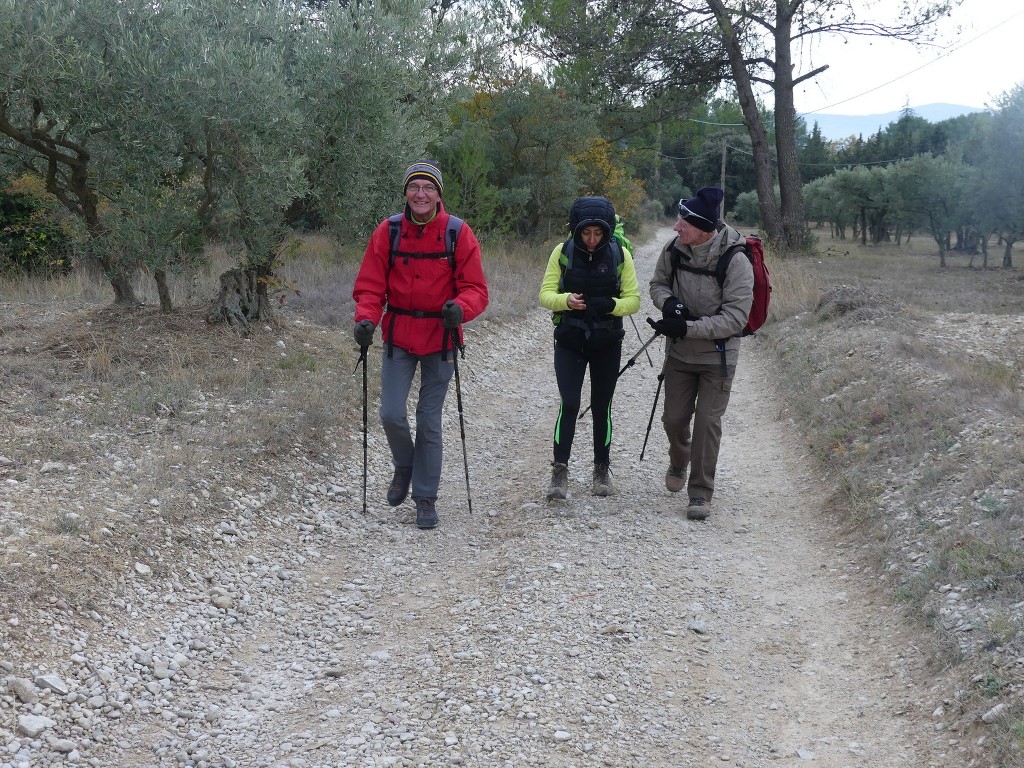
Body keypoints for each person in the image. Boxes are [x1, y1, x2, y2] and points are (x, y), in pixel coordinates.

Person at [352, 160, 489, 530]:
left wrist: (460, 309)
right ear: (406, 193)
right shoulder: (389, 231)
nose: (421, 194)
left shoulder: (457, 232)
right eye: (415, 187)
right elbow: (370, 285)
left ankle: (425, 498)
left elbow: (476, 289)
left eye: (428, 187)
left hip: (440, 337)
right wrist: (365, 319)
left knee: (428, 420)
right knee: (390, 413)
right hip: (398, 336)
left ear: (438, 194)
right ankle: (405, 465)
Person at [648, 187, 753, 521]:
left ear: (705, 228)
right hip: (679, 355)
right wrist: (669, 304)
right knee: (674, 419)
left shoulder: (735, 261)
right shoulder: (674, 249)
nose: (677, 229)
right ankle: (679, 459)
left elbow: (736, 319)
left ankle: (700, 494)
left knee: (708, 423)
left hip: (718, 357)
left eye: (684, 224)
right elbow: (657, 284)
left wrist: (687, 328)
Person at [538, 195, 640, 500]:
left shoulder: (621, 255)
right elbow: (545, 294)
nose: (592, 240)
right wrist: (565, 301)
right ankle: (559, 472)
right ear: (576, 230)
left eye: (598, 233)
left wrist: (611, 305)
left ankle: (601, 470)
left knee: (601, 406)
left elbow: (633, 301)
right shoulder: (562, 252)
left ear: (607, 231)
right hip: (569, 339)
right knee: (569, 403)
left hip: (607, 342)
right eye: (586, 233)